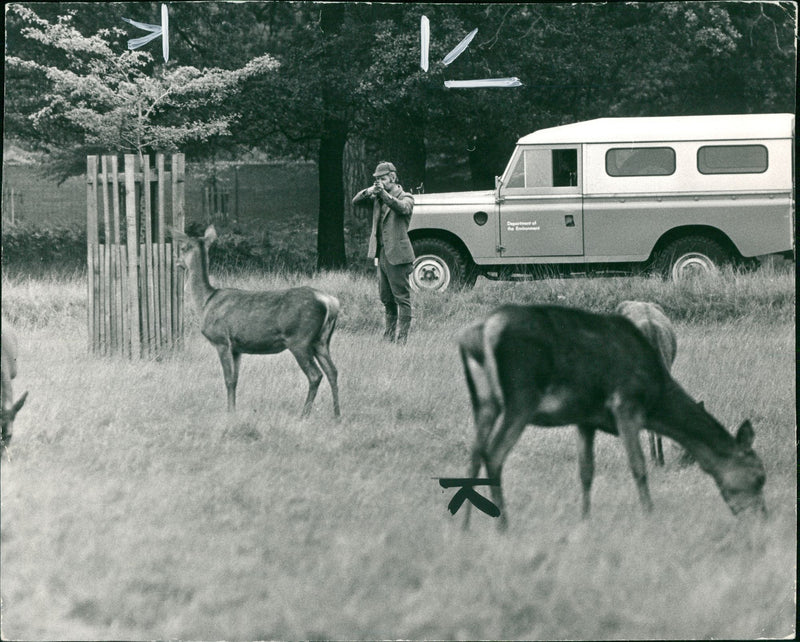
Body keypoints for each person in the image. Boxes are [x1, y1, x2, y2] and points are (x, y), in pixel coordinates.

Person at [352, 161, 415, 344]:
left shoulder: (406, 196)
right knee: (386, 298)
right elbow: (356, 201)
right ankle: (388, 336)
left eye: (383, 178)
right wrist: (370, 190)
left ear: (393, 178)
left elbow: (402, 208)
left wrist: (384, 194)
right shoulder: (377, 198)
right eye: (377, 179)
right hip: (382, 255)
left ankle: (402, 339)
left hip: (399, 255)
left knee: (402, 298)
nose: (380, 181)